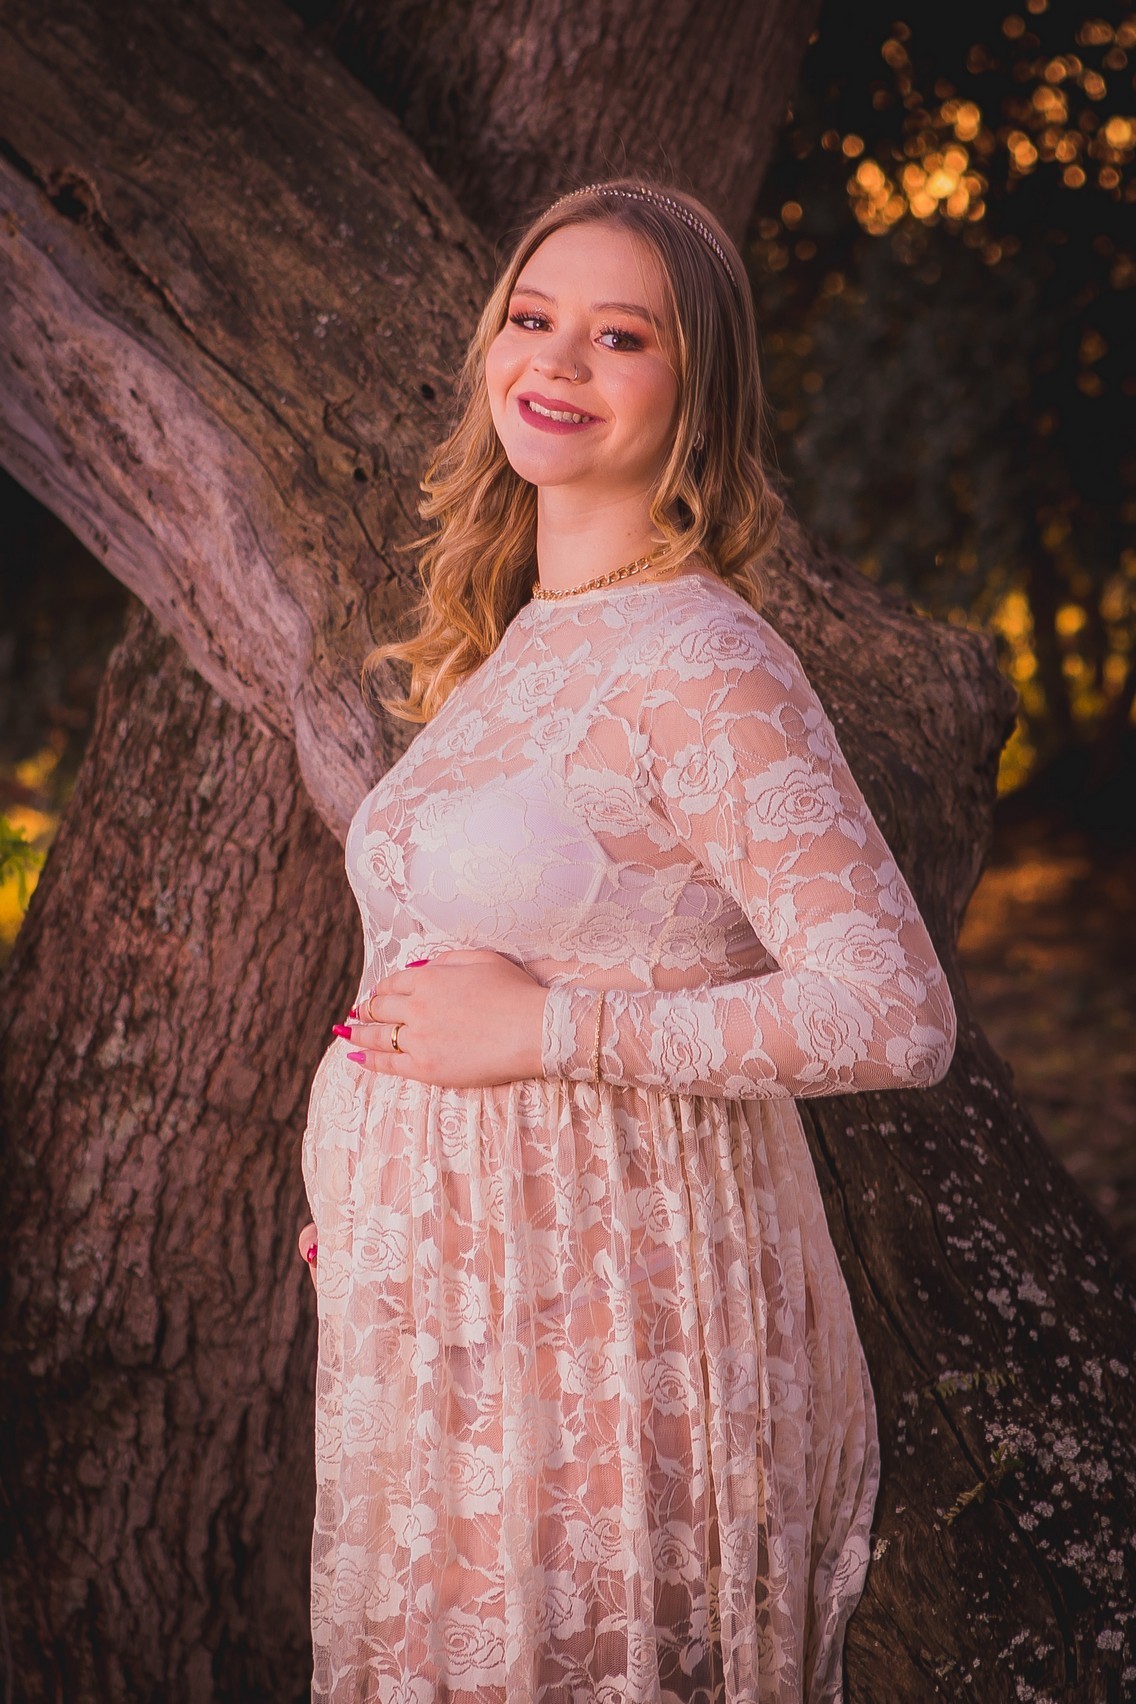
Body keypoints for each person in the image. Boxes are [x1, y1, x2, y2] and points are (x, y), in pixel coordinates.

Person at [297, 176, 957, 1703]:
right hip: (444, 1311)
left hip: (603, 1316)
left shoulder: (700, 656)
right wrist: (369, 1183)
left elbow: (892, 1011)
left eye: (621, 336)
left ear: (697, 386)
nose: (558, 360)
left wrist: (551, 1031)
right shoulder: (518, 642)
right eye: (534, 319)